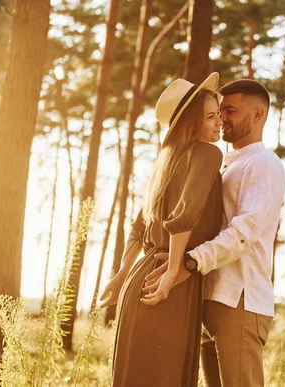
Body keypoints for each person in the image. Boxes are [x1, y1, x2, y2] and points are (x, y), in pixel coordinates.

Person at [143, 79, 285, 387]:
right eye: (220, 111)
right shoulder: (228, 164)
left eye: (231, 111)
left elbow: (244, 232)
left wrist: (190, 262)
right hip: (212, 298)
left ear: (258, 114)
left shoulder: (264, 164)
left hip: (241, 301)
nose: (222, 118)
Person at [99, 72, 224, 387]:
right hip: (167, 282)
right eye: (211, 116)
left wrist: (122, 274)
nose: (219, 121)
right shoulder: (209, 154)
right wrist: (172, 271)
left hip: (140, 279)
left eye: (218, 114)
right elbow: (186, 215)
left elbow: (138, 228)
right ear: (192, 122)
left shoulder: (163, 164)